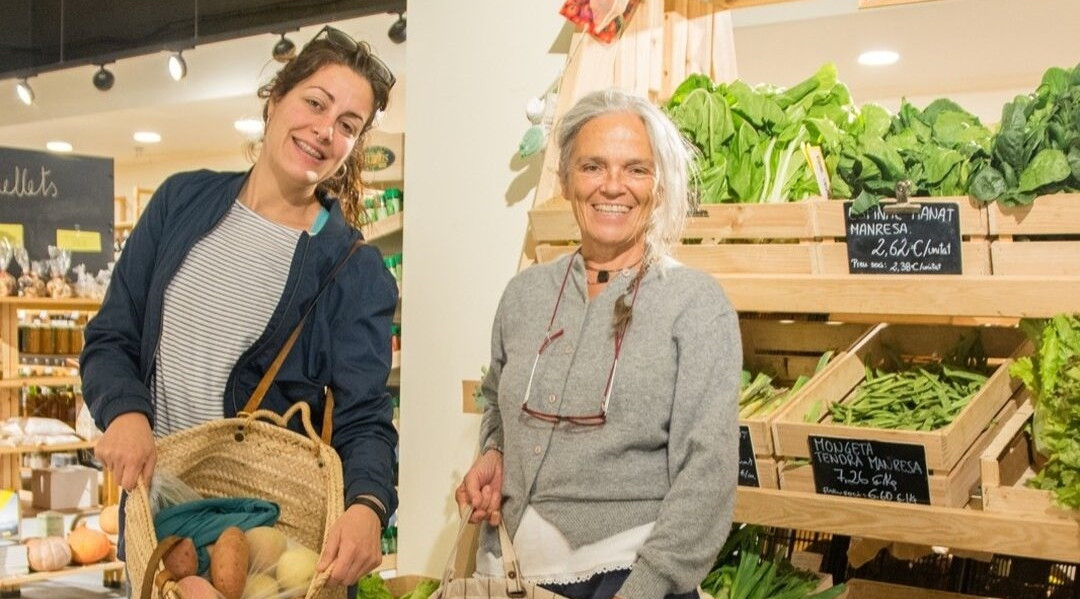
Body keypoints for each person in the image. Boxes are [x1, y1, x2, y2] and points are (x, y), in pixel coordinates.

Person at [80, 26, 399, 587]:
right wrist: (125, 409)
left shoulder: (352, 268)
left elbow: (365, 417)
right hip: (158, 530)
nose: (325, 131)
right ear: (276, 99)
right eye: (315, 103)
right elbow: (112, 336)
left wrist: (368, 504)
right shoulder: (181, 201)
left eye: (348, 126)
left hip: (267, 550)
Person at [456, 89, 742, 599]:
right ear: (566, 179)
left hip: (626, 578)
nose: (613, 186)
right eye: (593, 167)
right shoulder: (524, 295)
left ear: (659, 186)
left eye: (636, 169)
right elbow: (497, 402)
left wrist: (646, 587)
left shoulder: (695, 304)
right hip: (512, 572)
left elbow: (708, 472)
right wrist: (495, 452)